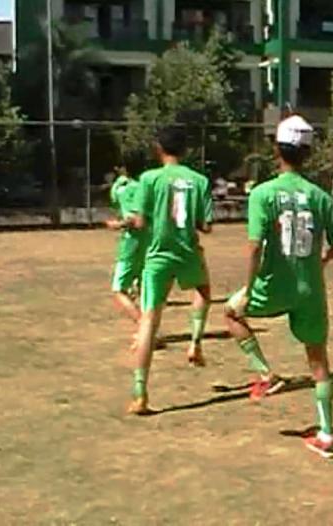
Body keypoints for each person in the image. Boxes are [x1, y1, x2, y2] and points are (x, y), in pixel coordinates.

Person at [224, 115, 333, 459]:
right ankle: (327, 434)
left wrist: (249, 287)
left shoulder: (263, 194)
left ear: (276, 149)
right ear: (308, 153)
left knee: (231, 312)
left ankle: (266, 373)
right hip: (309, 287)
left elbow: (254, 246)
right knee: (318, 360)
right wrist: (320, 261)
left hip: (273, 283)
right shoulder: (321, 197)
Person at [124, 127, 214, 414]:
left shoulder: (149, 179)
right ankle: (195, 342)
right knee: (203, 291)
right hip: (187, 252)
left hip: (158, 256)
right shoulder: (199, 180)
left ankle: (140, 392)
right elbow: (206, 225)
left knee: (150, 320)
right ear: (185, 150)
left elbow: (139, 222)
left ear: (158, 149)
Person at [105, 168, 148, 348]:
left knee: (119, 289)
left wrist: (118, 224)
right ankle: (145, 330)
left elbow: (134, 219)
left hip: (132, 244)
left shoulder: (125, 188)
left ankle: (145, 329)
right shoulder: (146, 185)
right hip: (148, 241)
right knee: (144, 289)